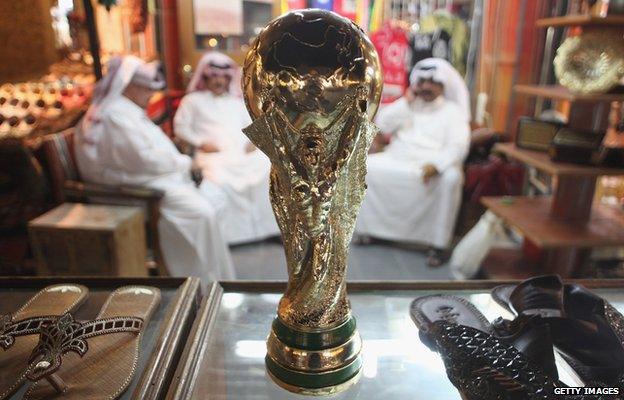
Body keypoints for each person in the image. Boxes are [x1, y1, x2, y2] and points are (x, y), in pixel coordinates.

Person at [74, 55, 235, 284]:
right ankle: (195, 283)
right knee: (201, 212)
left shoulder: (124, 110)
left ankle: (218, 279)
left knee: (217, 197)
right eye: (146, 89)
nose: (151, 95)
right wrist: (185, 163)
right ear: (129, 86)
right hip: (131, 189)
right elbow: (143, 160)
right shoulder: (115, 115)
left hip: (145, 178)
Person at [356, 58, 471, 266]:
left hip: (432, 163)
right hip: (398, 157)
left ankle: (437, 245)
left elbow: (458, 146)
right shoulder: (408, 105)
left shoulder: (453, 112)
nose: (426, 87)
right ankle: (369, 231)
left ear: (442, 85)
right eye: (422, 82)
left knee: (451, 178)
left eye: (432, 82)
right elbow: (383, 124)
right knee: (367, 167)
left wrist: (437, 166)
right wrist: (406, 102)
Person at [174, 52, 279, 244]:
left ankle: (267, 230)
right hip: (213, 154)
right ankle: (232, 237)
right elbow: (181, 128)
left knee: (268, 168)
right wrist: (199, 142)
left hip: (241, 152)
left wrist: (253, 142)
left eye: (223, 77)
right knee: (219, 178)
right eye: (214, 76)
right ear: (205, 77)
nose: (219, 81)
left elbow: (251, 126)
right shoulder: (192, 101)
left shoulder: (236, 102)